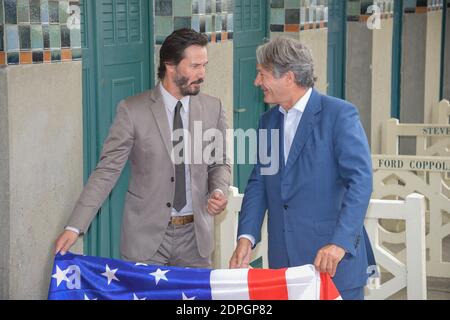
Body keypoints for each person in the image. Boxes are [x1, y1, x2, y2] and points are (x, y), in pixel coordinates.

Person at [55, 28, 231, 268]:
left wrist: (219, 191)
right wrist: (74, 226)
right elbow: (107, 171)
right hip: (145, 242)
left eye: (204, 65)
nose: (203, 74)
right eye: (195, 66)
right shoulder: (132, 110)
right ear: (171, 66)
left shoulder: (214, 108)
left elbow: (219, 162)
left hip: (196, 240)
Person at [229, 37, 375, 300]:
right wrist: (246, 237)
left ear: (288, 77)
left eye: (261, 74)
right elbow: (260, 182)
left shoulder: (340, 115)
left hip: (332, 264)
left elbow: (361, 181)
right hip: (284, 267)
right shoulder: (267, 121)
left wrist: (339, 243)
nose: (256, 82)